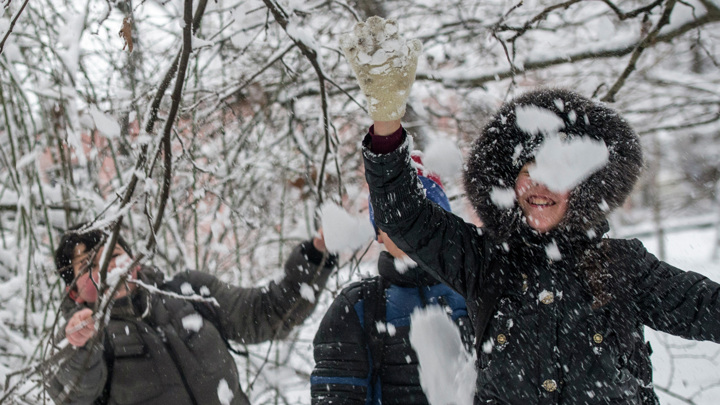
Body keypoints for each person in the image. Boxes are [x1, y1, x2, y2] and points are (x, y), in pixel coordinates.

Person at [340, 16, 720, 405]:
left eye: (558, 173)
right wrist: (386, 121)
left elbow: (708, 308)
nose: (540, 186)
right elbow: (402, 217)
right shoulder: (482, 261)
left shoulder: (622, 266)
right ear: (509, 182)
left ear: (583, 187)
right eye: (529, 171)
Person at [47, 223, 336, 405]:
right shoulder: (75, 342)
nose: (107, 268)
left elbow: (265, 314)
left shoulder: (189, 292)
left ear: (133, 260)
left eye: (114, 254)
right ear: (73, 291)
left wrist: (315, 256)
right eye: (87, 265)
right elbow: (72, 394)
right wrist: (79, 345)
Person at [310, 155, 473, 404]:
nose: (410, 229)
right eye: (394, 218)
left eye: (424, 213)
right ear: (378, 232)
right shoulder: (355, 308)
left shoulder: (477, 291)